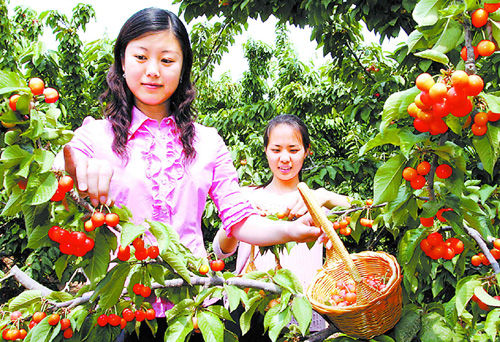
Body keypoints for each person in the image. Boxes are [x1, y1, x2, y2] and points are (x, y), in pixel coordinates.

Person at [56, 7, 324, 342]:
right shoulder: (96, 136)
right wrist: (71, 165)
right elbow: (63, 164)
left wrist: (291, 231)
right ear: (122, 62)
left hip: (197, 308)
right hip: (122, 310)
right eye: (140, 56)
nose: (153, 71)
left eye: (167, 60)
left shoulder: (208, 142)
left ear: (182, 70)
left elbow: (239, 220)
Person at [213, 114, 352, 336]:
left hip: (301, 309)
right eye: (276, 150)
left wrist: (326, 196)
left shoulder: (316, 202)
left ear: (307, 151)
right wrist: (238, 225)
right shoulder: (247, 196)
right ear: (265, 151)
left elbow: (366, 211)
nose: (284, 158)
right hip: (249, 307)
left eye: (293, 150)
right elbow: (221, 252)